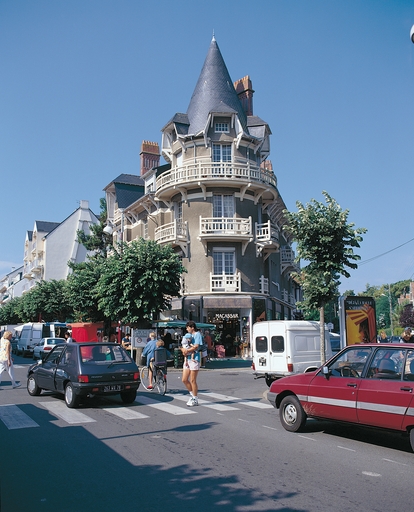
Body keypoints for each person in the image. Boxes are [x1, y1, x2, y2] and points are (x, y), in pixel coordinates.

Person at [181, 321, 202, 406]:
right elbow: (183, 345)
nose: (187, 329)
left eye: (188, 327)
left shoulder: (197, 334)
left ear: (192, 327)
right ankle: (192, 395)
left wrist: (187, 350)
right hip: (187, 359)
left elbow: (196, 346)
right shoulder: (187, 336)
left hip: (194, 359)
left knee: (192, 380)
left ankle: (195, 398)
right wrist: (183, 350)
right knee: (184, 379)